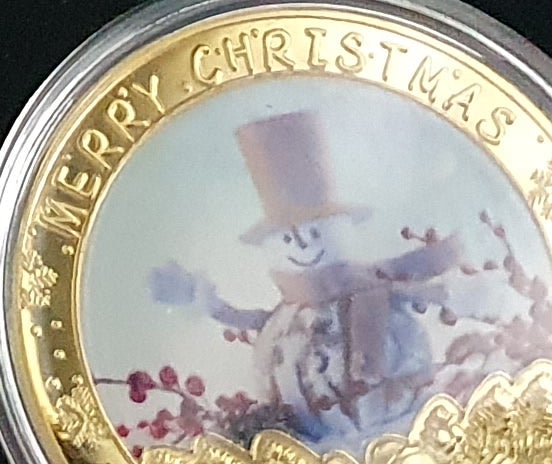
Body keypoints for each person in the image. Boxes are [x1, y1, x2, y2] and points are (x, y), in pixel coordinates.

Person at [147, 108, 459, 445]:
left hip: (393, 430)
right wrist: (214, 306)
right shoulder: (286, 314)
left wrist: (449, 297)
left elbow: (426, 301)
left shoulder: (374, 293)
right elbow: (257, 321)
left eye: (314, 231)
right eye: (287, 238)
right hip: (309, 444)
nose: (302, 245)